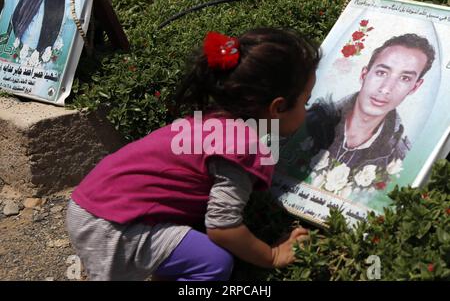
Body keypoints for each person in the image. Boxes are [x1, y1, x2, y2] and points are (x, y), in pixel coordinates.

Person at [65, 28, 321, 281]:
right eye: (305, 102)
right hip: (112, 225)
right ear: (277, 107)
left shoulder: (214, 121)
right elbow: (222, 227)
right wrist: (272, 255)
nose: (307, 111)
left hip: (92, 206)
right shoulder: (243, 147)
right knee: (213, 263)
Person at [306, 33, 435, 177]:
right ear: (364, 75)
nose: (386, 88)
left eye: (405, 78)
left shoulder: (399, 157)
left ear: (414, 87)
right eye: (381, 72)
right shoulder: (309, 120)